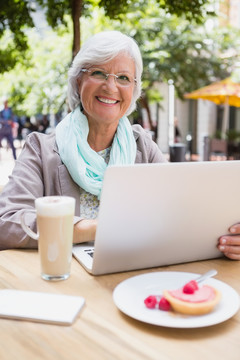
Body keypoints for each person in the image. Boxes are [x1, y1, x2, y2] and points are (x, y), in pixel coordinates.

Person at [0, 31, 239, 261]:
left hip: (130, 277)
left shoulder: (143, 146)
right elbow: (7, 222)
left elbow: (180, 212)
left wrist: (228, 237)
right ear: (78, 80)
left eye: (124, 78)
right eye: (99, 73)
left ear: (133, 90)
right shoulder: (40, 149)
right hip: (65, 282)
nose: (110, 87)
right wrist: (95, 228)